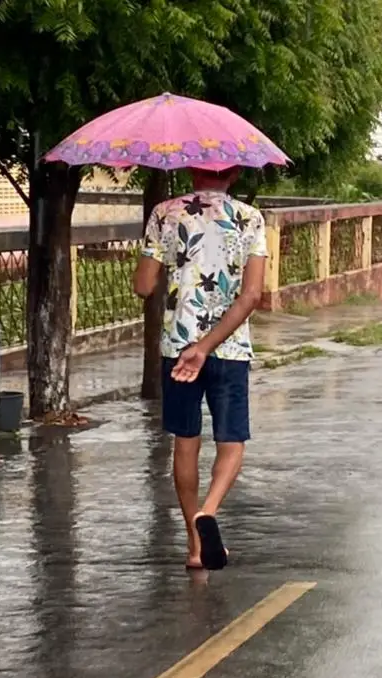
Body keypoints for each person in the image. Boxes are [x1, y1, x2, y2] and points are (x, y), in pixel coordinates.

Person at [132, 166, 267, 571]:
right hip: (230, 348)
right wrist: (208, 347)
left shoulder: (164, 213)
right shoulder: (250, 218)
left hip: (179, 346)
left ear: (191, 168)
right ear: (235, 172)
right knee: (232, 440)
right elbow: (252, 295)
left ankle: (194, 545)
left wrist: (161, 262)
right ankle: (209, 510)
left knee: (186, 441)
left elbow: (143, 286)